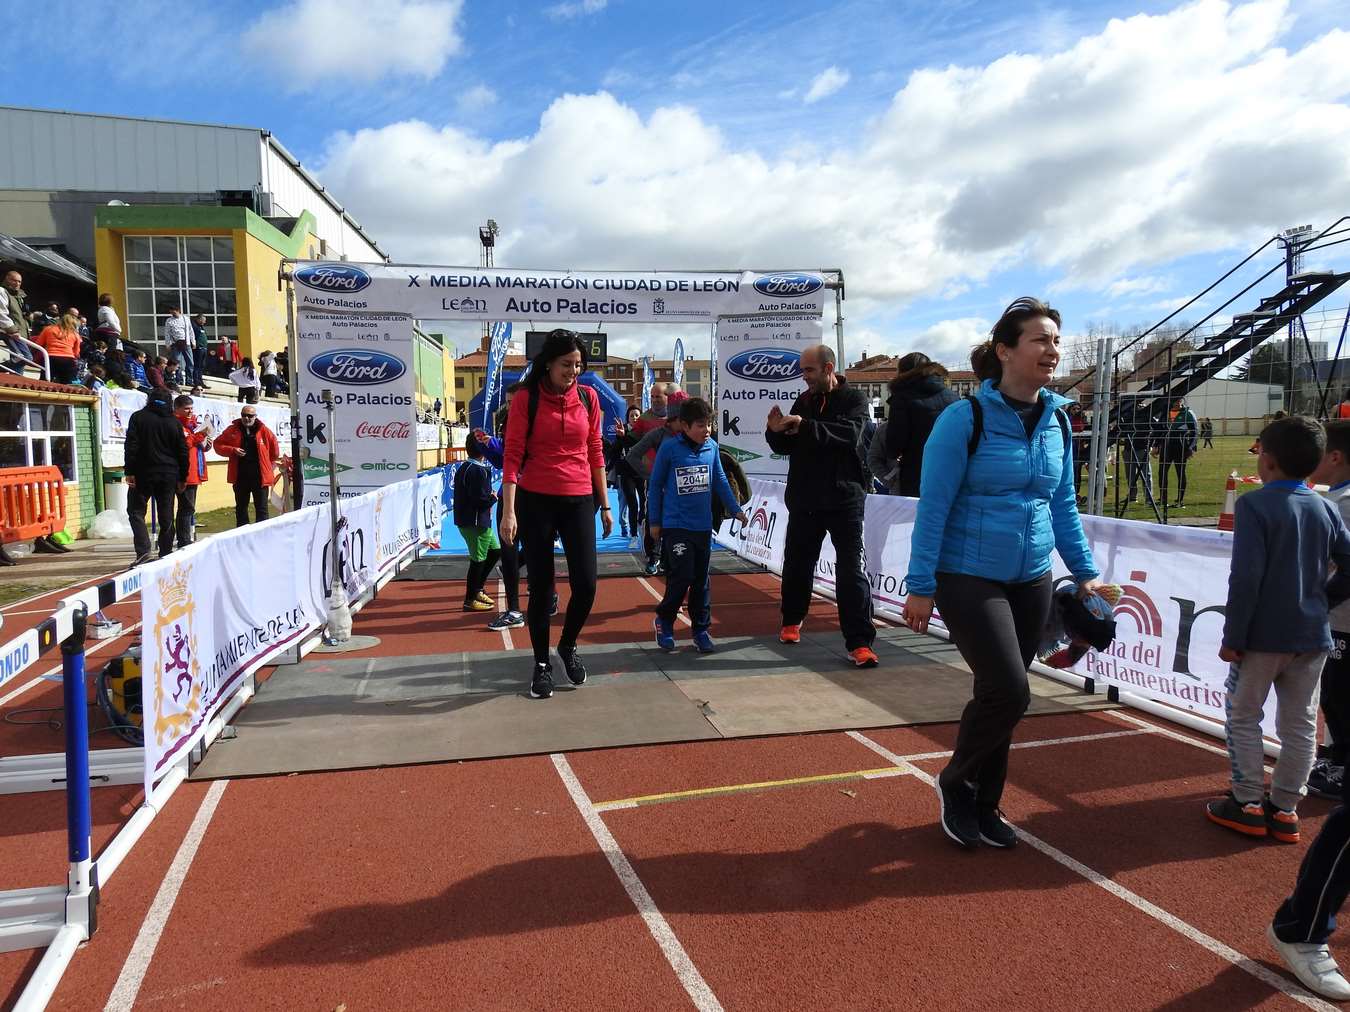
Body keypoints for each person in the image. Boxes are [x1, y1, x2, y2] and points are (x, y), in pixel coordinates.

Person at [903, 297, 1103, 849]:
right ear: (1005, 350)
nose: (1053, 350)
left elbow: (1061, 503)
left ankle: (985, 805)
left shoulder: (1058, 420)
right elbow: (934, 505)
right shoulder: (962, 418)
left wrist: (1084, 572)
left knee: (999, 693)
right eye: (1040, 339)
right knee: (1011, 690)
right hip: (967, 574)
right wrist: (920, 585)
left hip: (1032, 575)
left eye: (1056, 340)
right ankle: (955, 781)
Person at [1206, 416, 1350, 846]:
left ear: (1266, 460)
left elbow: (1246, 577)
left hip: (1264, 636)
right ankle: (1286, 807)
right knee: (1301, 722)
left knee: (1244, 714)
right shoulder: (1325, 505)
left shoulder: (1254, 506)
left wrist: (1234, 636)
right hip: (1312, 635)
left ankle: (1248, 800)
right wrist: (1322, 599)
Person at [499, 329, 610, 700]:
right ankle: (541, 664)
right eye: (567, 365)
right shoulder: (526, 399)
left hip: (579, 498)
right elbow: (512, 455)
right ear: (548, 363)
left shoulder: (588, 397)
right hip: (536, 500)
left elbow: (596, 450)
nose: (573, 372)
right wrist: (509, 512)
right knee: (543, 589)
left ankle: (568, 645)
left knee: (588, 584)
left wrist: (605, 504)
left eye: (578, 365)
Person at [765, 344, 878, 668]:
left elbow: (851, 434)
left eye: (809, 370)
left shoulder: (854, 400)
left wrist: (806, 425)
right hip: (805, 498)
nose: (804, 377)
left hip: (845, 499)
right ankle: (791, 620)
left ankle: (859, 643)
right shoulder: (804, 400)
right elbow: (790, 442)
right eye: (802, 371)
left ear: (829, 369)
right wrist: (775, 433)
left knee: (851, 570)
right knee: (798, 563)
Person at [648, 398, 748, 653]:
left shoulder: (712, 447)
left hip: (703, 526)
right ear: (684, 425)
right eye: (701, 425)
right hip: (676, 526)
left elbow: (721, 481)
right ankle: (665, 621)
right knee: (682, 577)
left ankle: (700, 630)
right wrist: (655, 522)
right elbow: (656, 486)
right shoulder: (669, 449)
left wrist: (735, 509)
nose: (707, 430)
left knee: (701, 581)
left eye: (710, 425)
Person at [1307, 421, 1350, 799]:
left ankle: (1343, 769)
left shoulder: (1345, 504)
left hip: (1343, 617)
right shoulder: (1332, 497)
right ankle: (1335, 758)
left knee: (1339, 694)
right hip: (1334, 615)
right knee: (1332, 694)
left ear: (1334, 457)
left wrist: (1321, 601)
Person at [124, 388, 188, 566]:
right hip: (169, 474)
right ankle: (166, 552)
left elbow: (131, 446)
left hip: (142, 472)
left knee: (136, 512)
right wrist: (183, 477)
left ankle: (144, 552)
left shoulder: (138, 418)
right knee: (166, 514)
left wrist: (129, 471)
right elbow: (182, 452)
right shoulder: (174, 422)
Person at [883, 352, 958, 497]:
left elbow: (894, 446)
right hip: (952, 473)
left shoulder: (902, 398)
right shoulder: (953, 397)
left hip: (916, 475)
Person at [626, 401, 685, 574]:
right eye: (682, 421)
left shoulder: (688, 435)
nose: (685, 425)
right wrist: (652, 475)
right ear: (674, 419)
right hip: (658, 488)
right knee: (654, 520)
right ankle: (654, 558)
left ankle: (668, 558)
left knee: (676, 524)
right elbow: (632, 455)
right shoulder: (657, 434)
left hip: (680, 489)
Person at [453, 434, 503, 613]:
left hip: (476, 521)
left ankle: (478, 589)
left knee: (495, 551)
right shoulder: (477, 470)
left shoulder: (469, 467)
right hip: (475, 522)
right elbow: (479, 500)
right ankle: (470, 599)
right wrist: (493, 498)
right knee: (478, 560)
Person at [213, 405, 280, 526]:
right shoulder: (232, 430)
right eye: (243, 415)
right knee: (241, 508)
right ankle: (242, 537)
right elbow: (218, 445)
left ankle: (263, 535)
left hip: (260, 477)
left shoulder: (264, 430)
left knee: (262, 509)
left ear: (255, 416)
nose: (246, 418)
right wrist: (232, 450)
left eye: (250, 416)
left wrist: (267, 464)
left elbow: (274, 452)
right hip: (240, 476)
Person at [173, 394, 211, 549]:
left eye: (191, 408)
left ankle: (184, 538)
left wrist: (206, 439)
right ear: (177, 409)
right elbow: (185, 444)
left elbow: (200, 446)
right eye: (186, 409)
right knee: (186, 507)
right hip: (184, 473)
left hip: (193, 472)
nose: (190, 412)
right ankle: (183, 540)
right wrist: (199, 435)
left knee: (188, 507)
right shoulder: (176, 424)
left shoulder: (192, 424)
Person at [611, 404, 646, 545]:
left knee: (644, 502)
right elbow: (614, 452)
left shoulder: (644, 432)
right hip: (627, 474)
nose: (635, 418)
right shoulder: (622, 431)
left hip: (642, 473)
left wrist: (624, 437)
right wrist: (620, 438)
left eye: (637, 415)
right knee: (632, 503)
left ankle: (641, 526)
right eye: (632, 416)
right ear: (628, 419)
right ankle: (633, 535)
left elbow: (638, 445)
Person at [1155, 396, 1198, 507]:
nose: (1177, 402)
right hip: (1166, 447)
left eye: (1179, 400)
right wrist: (1155, 445)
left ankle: (1180, 501)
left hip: (1181, 447)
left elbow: (1194, 432)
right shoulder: (1165, 412)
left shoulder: (1188, 413)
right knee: (1162, 473)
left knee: (1180, 473)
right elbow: (1159, 430)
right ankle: (1163, 500)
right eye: (1175, 400)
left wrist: (1191, 447)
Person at [33, 312, 81, 384]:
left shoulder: (48, 329)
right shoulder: (75, 334)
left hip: (50, 358)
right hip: (68, 360)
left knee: (44, 382)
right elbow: (76, 353)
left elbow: (38, 344)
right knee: (66, 385)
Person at [190, 314, 208, 387]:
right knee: (197, 366)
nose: (204, 322)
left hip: (204, 348)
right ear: (199, 319)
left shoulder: (201, 327)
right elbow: (192, 336)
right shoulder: (194, 326)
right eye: (204, 320)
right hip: (198, 349)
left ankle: (201, 382)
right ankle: (196, 381)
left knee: (202, 366)